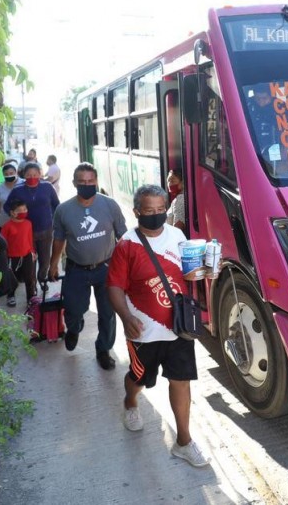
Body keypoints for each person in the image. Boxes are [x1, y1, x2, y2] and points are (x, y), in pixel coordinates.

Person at [106, 184, 210, 468]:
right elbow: (114, 286)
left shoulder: (177, 235)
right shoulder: (127, 245)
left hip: (178, 328)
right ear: (137, 212)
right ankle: (130, 402)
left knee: (181, 380)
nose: (155, 215)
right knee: (140, 379)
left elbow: (190, 273)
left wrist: (208, 268)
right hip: (144, 332)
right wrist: (127, 318)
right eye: (149, 211)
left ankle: (184, 442)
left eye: (161, 210)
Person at [49, 163, 127, 369]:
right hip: (76, 269)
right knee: (73, 310)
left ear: (96, 182)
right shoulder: (63, 210)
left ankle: (103, 350)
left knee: (108, 313)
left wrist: (128, 267)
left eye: (91, 181)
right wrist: (53, 264)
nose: (86, 185)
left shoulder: (110, 206)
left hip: (106, 268)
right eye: (82, 182)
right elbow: (58, 239)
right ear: (74, 183)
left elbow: (124, 237)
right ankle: (74, 328)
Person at [7, 163, 60, 282]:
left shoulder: (47, 187)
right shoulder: (17, 190)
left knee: (45, 260)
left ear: (40, 174)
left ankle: (42, 279)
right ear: (23, 175)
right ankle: (33, 287)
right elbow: (7, 207)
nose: (32, 177)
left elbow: (57, 205)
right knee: (30, 261)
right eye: (29, 175)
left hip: (46, 230)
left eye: (35, 174)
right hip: (26, 233)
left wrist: (56, 222)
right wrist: (15, 216)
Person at [0, 199, 37, 309]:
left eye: (25, 209)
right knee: (13, 279)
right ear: (12, 212)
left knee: (29, 278)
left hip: (27, 255)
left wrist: (32, 251)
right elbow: (3, 243)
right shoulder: (7, 226)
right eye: (19, 210)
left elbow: (30, 239)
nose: (23, 212)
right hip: (12, 257)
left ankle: (31, 298)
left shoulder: (28, 224)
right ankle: (11, 295)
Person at [0, 161, 19, 225]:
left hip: (23, 223)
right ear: (3, 175)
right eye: (6, 174)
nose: (9, 176)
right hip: (5, 223)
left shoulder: (24, 184)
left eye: (11, 173)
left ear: (16, 172)